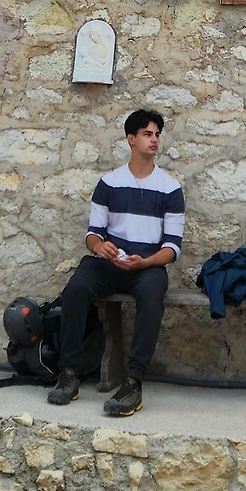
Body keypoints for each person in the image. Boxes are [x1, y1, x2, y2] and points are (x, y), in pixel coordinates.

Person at [47, 107, 185, 418]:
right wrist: (100, 247)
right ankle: (69, 373)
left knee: (152, 294)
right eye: (147, 134)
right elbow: (93, 234)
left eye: (157, 134)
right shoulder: (109, 183)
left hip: (147, 264)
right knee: (76, 288)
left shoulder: (170, 188)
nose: (154, 140)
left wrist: (145, 262)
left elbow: (172, 247)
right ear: (131, 139)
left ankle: (133, 383)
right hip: (109, 263)